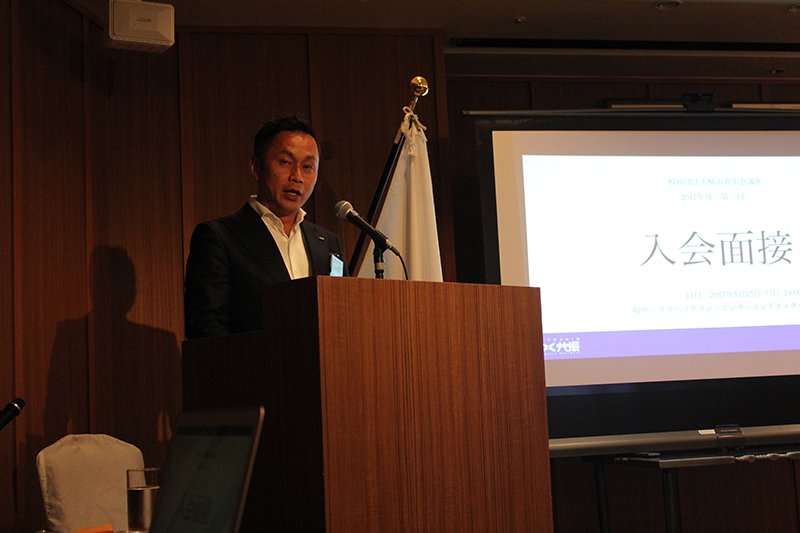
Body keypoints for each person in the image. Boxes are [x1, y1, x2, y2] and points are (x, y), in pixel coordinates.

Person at [184, 115, 348, 339]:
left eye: (308, 167)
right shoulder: (219, 237)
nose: (297, 177)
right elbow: (206, 326)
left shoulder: (328, 243)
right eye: (285, 162)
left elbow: (343, 317)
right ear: (256, 167)